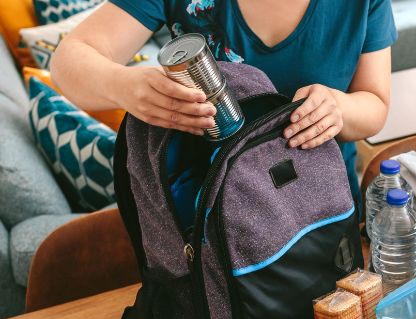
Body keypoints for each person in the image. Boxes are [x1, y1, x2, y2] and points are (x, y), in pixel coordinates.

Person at [51, 0, 397, 211]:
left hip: (324, 215)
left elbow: (375, 105)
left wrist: (337, 107)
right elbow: (68, 61)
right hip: (209, 226)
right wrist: (125, 86)